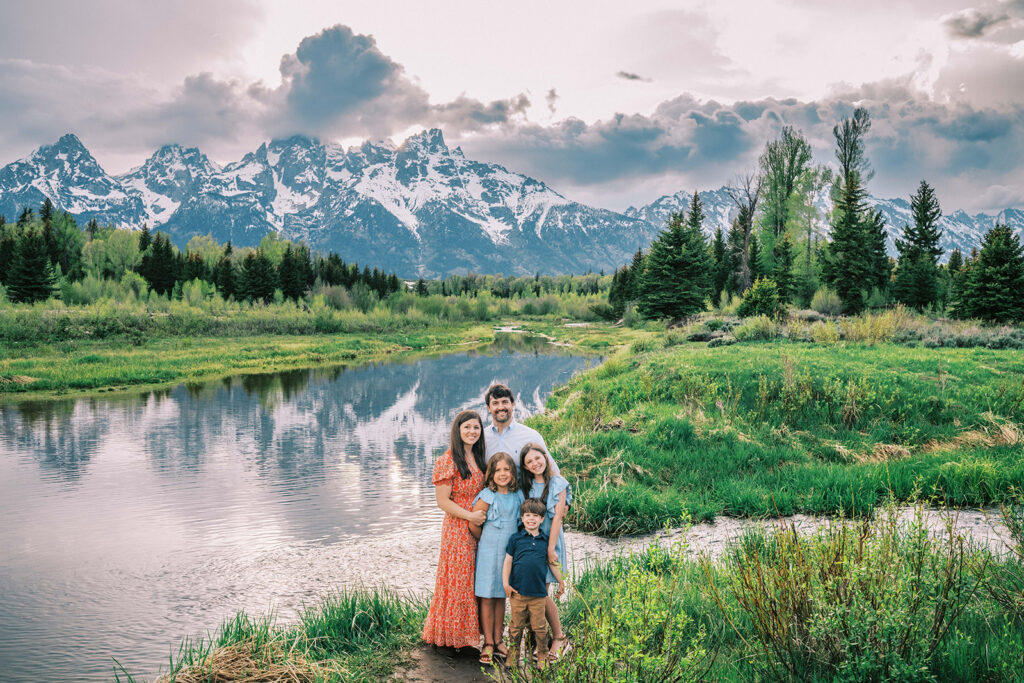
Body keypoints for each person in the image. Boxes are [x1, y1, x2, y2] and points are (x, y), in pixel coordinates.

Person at [421, 410, 488, 650]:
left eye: (476, 428)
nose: (472, 432)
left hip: (479, 527)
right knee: (458, 582)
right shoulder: (447, 460)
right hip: (457, 528)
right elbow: (442, 502)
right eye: (467, 427)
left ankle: (472, 634)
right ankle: (452, 635)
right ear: (458, 431)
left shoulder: (480, 458)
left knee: (473, 580)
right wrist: (470, 515)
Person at [469, 452, 525, 664]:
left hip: (508, 552)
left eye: (507, 470)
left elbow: (521, 522)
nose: (503, 474)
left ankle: (499, 640)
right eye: (498, 470)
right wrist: (485, 540)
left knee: (501, 594)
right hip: (488, 549)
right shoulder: (486, 496)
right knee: (487, 595)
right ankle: (488, 642)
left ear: (513, 473)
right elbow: (473, 523)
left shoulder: (517, 495)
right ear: (491, 474)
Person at [520, 442, 570, 661]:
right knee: (537, 593)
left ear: (545, 457)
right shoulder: (527, 486)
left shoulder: (557, 482)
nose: (535, 463)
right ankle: (543, 640)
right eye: (529, 462)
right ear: (525, 466)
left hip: (550, 542)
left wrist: (550, 550)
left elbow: (558, 516)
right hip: (532, 543)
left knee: (541, 592)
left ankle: (560, 637)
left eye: (537, 458)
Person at [502, 498, 565, 671]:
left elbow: (552, 563)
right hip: (518, 593)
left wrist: (560, 580)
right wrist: (506, 584)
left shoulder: (545, 542)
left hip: (538, 595)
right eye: (527, 515)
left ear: (542, 519)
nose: (531, 519)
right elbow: (508, 562)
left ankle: (543, 654)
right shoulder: (515, 539)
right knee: (516, 626)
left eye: (535, 516)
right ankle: (513, 654)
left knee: (540, 627)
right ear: (522, 518)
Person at [483, 384, 560, 474]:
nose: (501, 407)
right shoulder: (482, 438)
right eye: (495, 403)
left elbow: (553, 471)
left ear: (512, 404)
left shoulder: (531, 436)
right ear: (488, 408)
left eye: (505, 402)